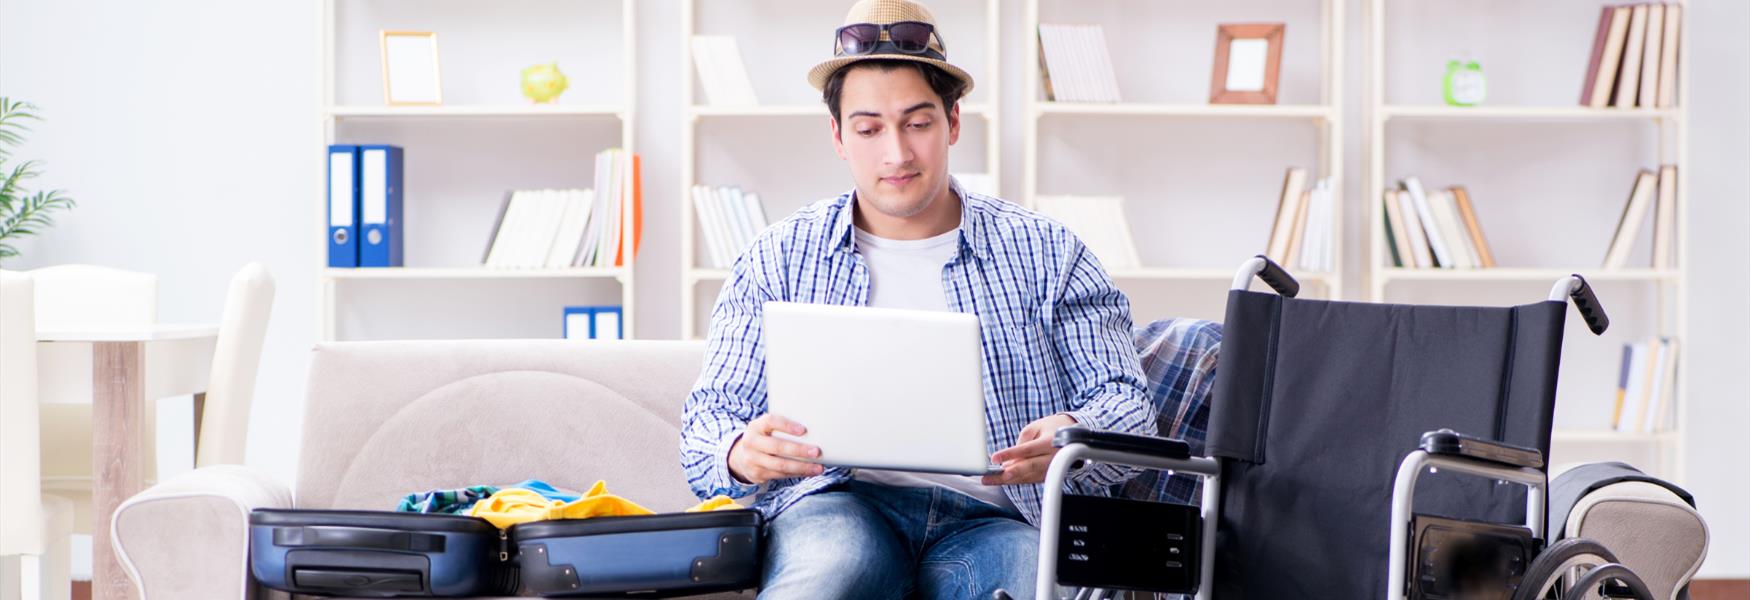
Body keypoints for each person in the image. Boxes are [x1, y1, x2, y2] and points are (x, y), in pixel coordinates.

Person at [680, 0, 1154, 597]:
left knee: (1024, 583)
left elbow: (1129, 408)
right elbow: (706, 425)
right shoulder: (777, 256)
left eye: (918, 122)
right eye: (869, 127)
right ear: (838, 135)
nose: (896, 154)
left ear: (953, 122)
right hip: (836, 506)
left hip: (999, 517)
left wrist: (1073, 437)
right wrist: (740, 452)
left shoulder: (1049, 252)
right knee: (831, 574)